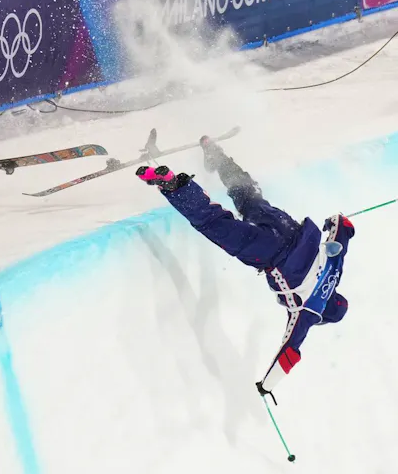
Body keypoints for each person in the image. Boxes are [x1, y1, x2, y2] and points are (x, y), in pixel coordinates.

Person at [136, 136, 354, 395]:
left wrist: (330, 224)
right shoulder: (310, 312)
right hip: (269, 252)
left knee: (248, 195)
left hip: (286, 226)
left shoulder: (335, 269)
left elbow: (344, 226)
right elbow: (289, 354)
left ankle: (215, 154)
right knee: (213, 223)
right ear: (324, 316)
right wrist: (266, 387)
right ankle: (172, 184)